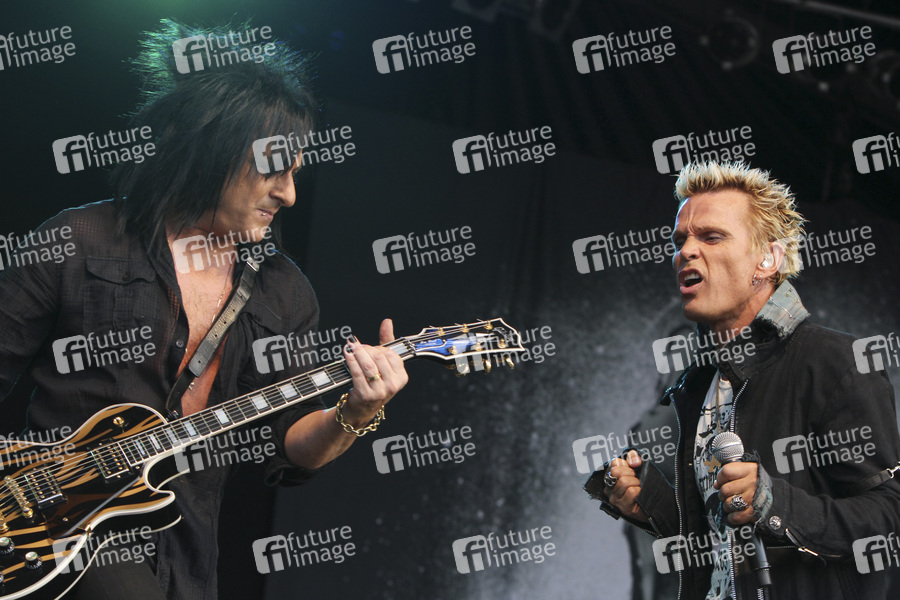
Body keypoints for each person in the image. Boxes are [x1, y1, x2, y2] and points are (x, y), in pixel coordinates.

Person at [0, 20, 408, 600]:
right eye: (274, 169)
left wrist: (358, 411)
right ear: (212, 150)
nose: (289, 193)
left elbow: (291, 443)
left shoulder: (284, 293)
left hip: (184, 560)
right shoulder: (79, 239)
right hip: (47, 533)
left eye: (296, 173)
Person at [594, 161, 900, 599]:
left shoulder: (835, 361)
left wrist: (775, 504)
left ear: (768, 259)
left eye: (711, 237)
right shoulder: (699, 384)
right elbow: (721, 545)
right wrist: (650, 505)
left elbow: (888, 517)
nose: (686, 251)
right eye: (680, 240)